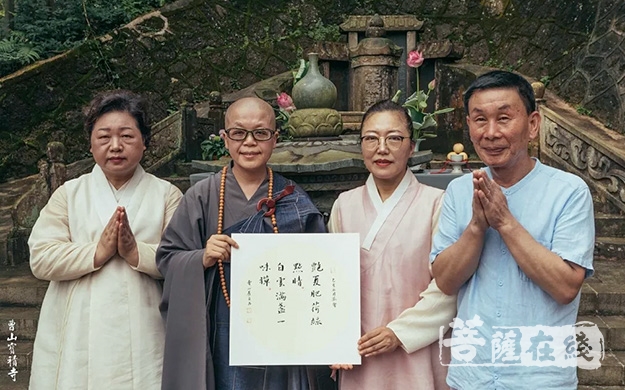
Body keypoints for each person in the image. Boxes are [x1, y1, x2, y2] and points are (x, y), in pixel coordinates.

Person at [430, 70, 595, 389]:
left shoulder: (568, 192)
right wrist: (477, 227)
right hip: (472, 374)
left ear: (533, 124)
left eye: (504, 118)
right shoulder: (460, 191)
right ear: (468, 126)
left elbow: (565, 287)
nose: (491, 133)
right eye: (480, 120)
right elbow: (446, 281)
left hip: (540, 376)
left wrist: (504, 222)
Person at [156, 96, 333, 390]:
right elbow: (167, 258)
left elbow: (321, 270)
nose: (249, 142)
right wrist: (201, 257)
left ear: (275, 139)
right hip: (220, 325)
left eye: (261, 133)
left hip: (279, 329)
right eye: (238, 133)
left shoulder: (293, 197)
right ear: (225, 139)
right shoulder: (203, 195)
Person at [28, 90, 183, 389]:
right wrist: (96, 253)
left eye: (126, 136)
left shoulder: (166, 195)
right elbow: (41, 257)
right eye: (104, 137)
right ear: (90, 143)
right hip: (78, 328)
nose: (115, 146)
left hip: (145, 325)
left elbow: (182, 258)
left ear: (145, 141)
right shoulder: (69, 194)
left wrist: (136, 252)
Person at [328, 99, 456, 389]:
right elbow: (332, 283)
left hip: (419, 347)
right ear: (361, 146)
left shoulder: (437, 203)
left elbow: (448, 286)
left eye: (394, 138)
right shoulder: (344, 205)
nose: (381, 148)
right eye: (371, 138)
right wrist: (333, 337)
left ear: (411, 147)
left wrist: (399, 333)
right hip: (362, 349)